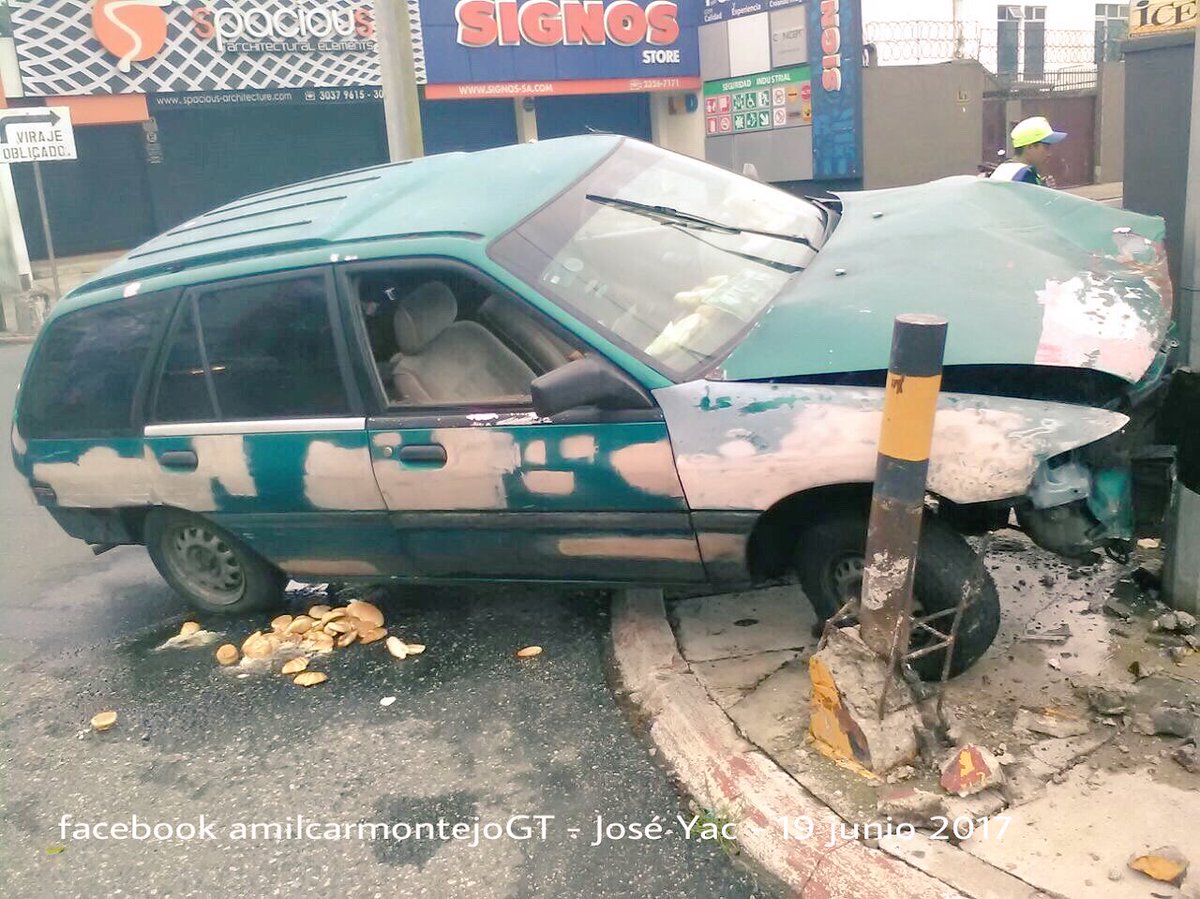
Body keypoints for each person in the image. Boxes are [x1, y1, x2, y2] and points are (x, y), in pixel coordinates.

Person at [990, 115, 1067, 186]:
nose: (1049, 153)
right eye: (1046, 147)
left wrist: (1042, 187)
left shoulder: (1003, 168)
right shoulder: (1025, 175)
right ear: (1029, 147)